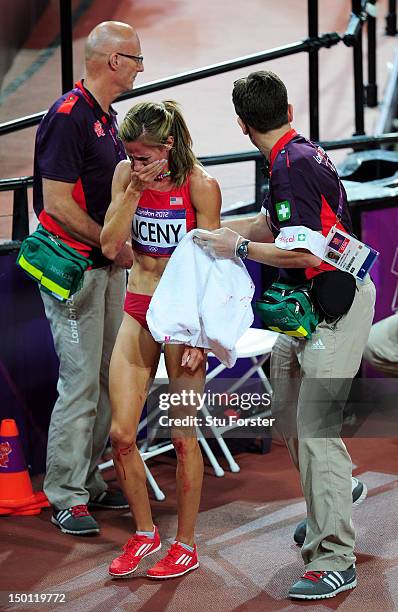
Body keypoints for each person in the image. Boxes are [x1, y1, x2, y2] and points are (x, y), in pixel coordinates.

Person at [196, 70, 376, 600]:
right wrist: (225, 233)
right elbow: (279, 225)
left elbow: (302, 252)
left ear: (241, 124)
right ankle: (335, 493)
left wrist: (240, 251)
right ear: (289, 111)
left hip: (334, 310)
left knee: (317, 430)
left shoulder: (291, 168)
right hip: (305, 311)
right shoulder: (294, 154)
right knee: (289, 413)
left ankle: (335, 556)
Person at [100, 100, 221, 579]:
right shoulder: (125, 176)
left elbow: (215, 265)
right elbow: (112, 246)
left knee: (182, 437)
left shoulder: (200, 185)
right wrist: (131, 190)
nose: (135, 162)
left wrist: (204, 335)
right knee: (121, 435)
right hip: (138, 305)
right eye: (129, 154)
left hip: (185, 320)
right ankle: (146, 533)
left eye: (143, 155)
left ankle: (185, 543)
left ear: (168, 146)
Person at [33, 21, 143, 535]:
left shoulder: (106, 117)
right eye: (136, 58)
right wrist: (109, 240)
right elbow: (55, 202)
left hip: (105, 264)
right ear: (113, 61)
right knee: (79, 383)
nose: (141, 67)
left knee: (106, 378)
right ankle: (66, 494)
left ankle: (90, 481)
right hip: (75, 269)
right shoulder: (69, 116)